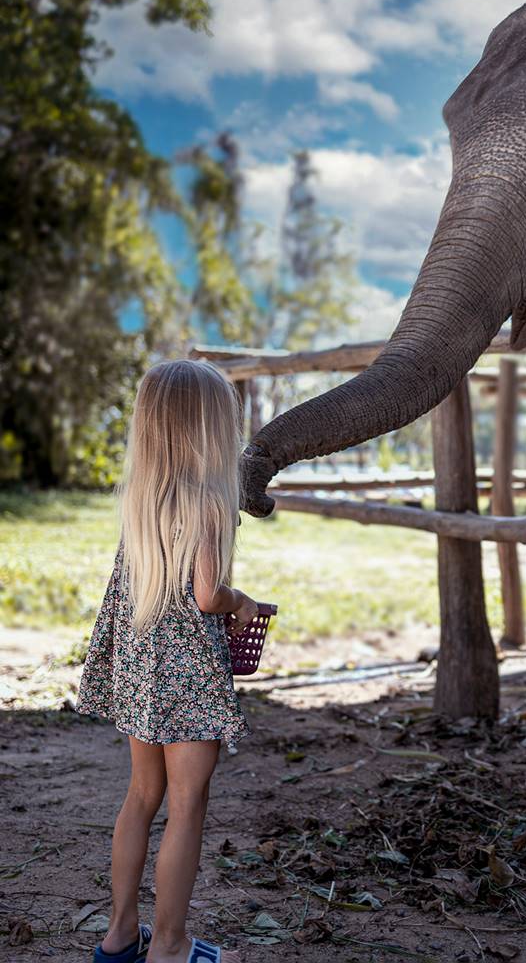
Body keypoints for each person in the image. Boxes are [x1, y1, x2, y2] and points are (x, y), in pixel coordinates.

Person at [76, 359, 261, 963]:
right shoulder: (207, 504)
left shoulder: (139, 502)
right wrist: (241, 602)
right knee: (187, 808)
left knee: (140, 796)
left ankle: (121, 936)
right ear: (210, 432)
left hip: (141, 675)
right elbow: (208, 596)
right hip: (186, 680)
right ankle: (173, 947)